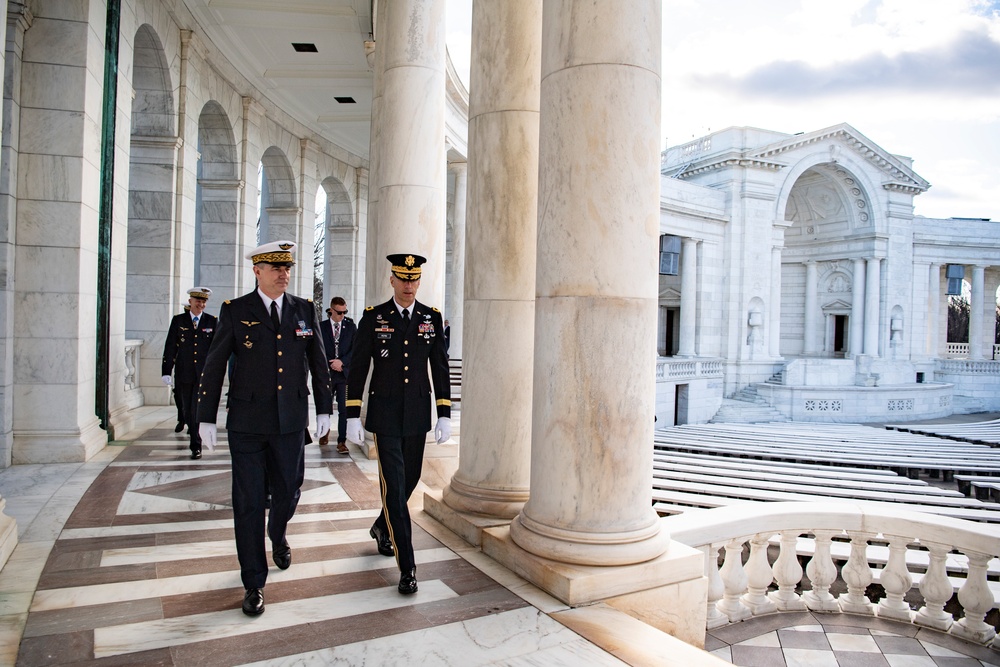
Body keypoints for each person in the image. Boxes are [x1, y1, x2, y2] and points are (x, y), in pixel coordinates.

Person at [197, 240, 332, 616]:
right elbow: (214, 363)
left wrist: (325, 409)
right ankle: (253, 581)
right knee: (249, 501)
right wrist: (205, 415)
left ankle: (278, 532)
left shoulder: (304, 309)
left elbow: (318, 363)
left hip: (290, 422)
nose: (283, 273)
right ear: (257, 270)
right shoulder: (236, 310)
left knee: (288, 491)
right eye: (275, 267)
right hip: (247, 424)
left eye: (287, 267)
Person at [346, 253, 451, 595]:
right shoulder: (374, 318)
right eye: (402, 279)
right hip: (386, 416)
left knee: (410, 479)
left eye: (414, 279)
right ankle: (408, 566)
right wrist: (350, 414)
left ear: (419, 282)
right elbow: (358, 367)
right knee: (394, 487)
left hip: (418, 414)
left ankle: (380, 526)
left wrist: (444, 411)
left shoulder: (429, 318)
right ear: (392, 280)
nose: (408, 285)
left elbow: (439, 365)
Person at [162, 288, 217, 459]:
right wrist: (166, 370)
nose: (201, 304)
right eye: (198, 301)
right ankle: (190, 430)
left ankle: (196, 445)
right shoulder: (179, 320)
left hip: (203, 375)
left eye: (203, 302)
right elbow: (171, 346)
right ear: (190, 301)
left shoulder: (212, 321)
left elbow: (217, 349)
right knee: (186, 410)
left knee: (196, 410)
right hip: (184, 373)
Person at [319, 296, 356, 454]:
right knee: (325, 406)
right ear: (331, 310)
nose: (342, 315)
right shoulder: (321, 327)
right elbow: (317, 349)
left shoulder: (351, 326)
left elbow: (355, 349)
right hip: (327, 374)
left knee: (344, 409)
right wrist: (330, 362)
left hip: (343, 374)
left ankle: (342, 441)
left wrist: (342, 362)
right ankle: (324, 432)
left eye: (344, 312)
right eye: (339, 312)